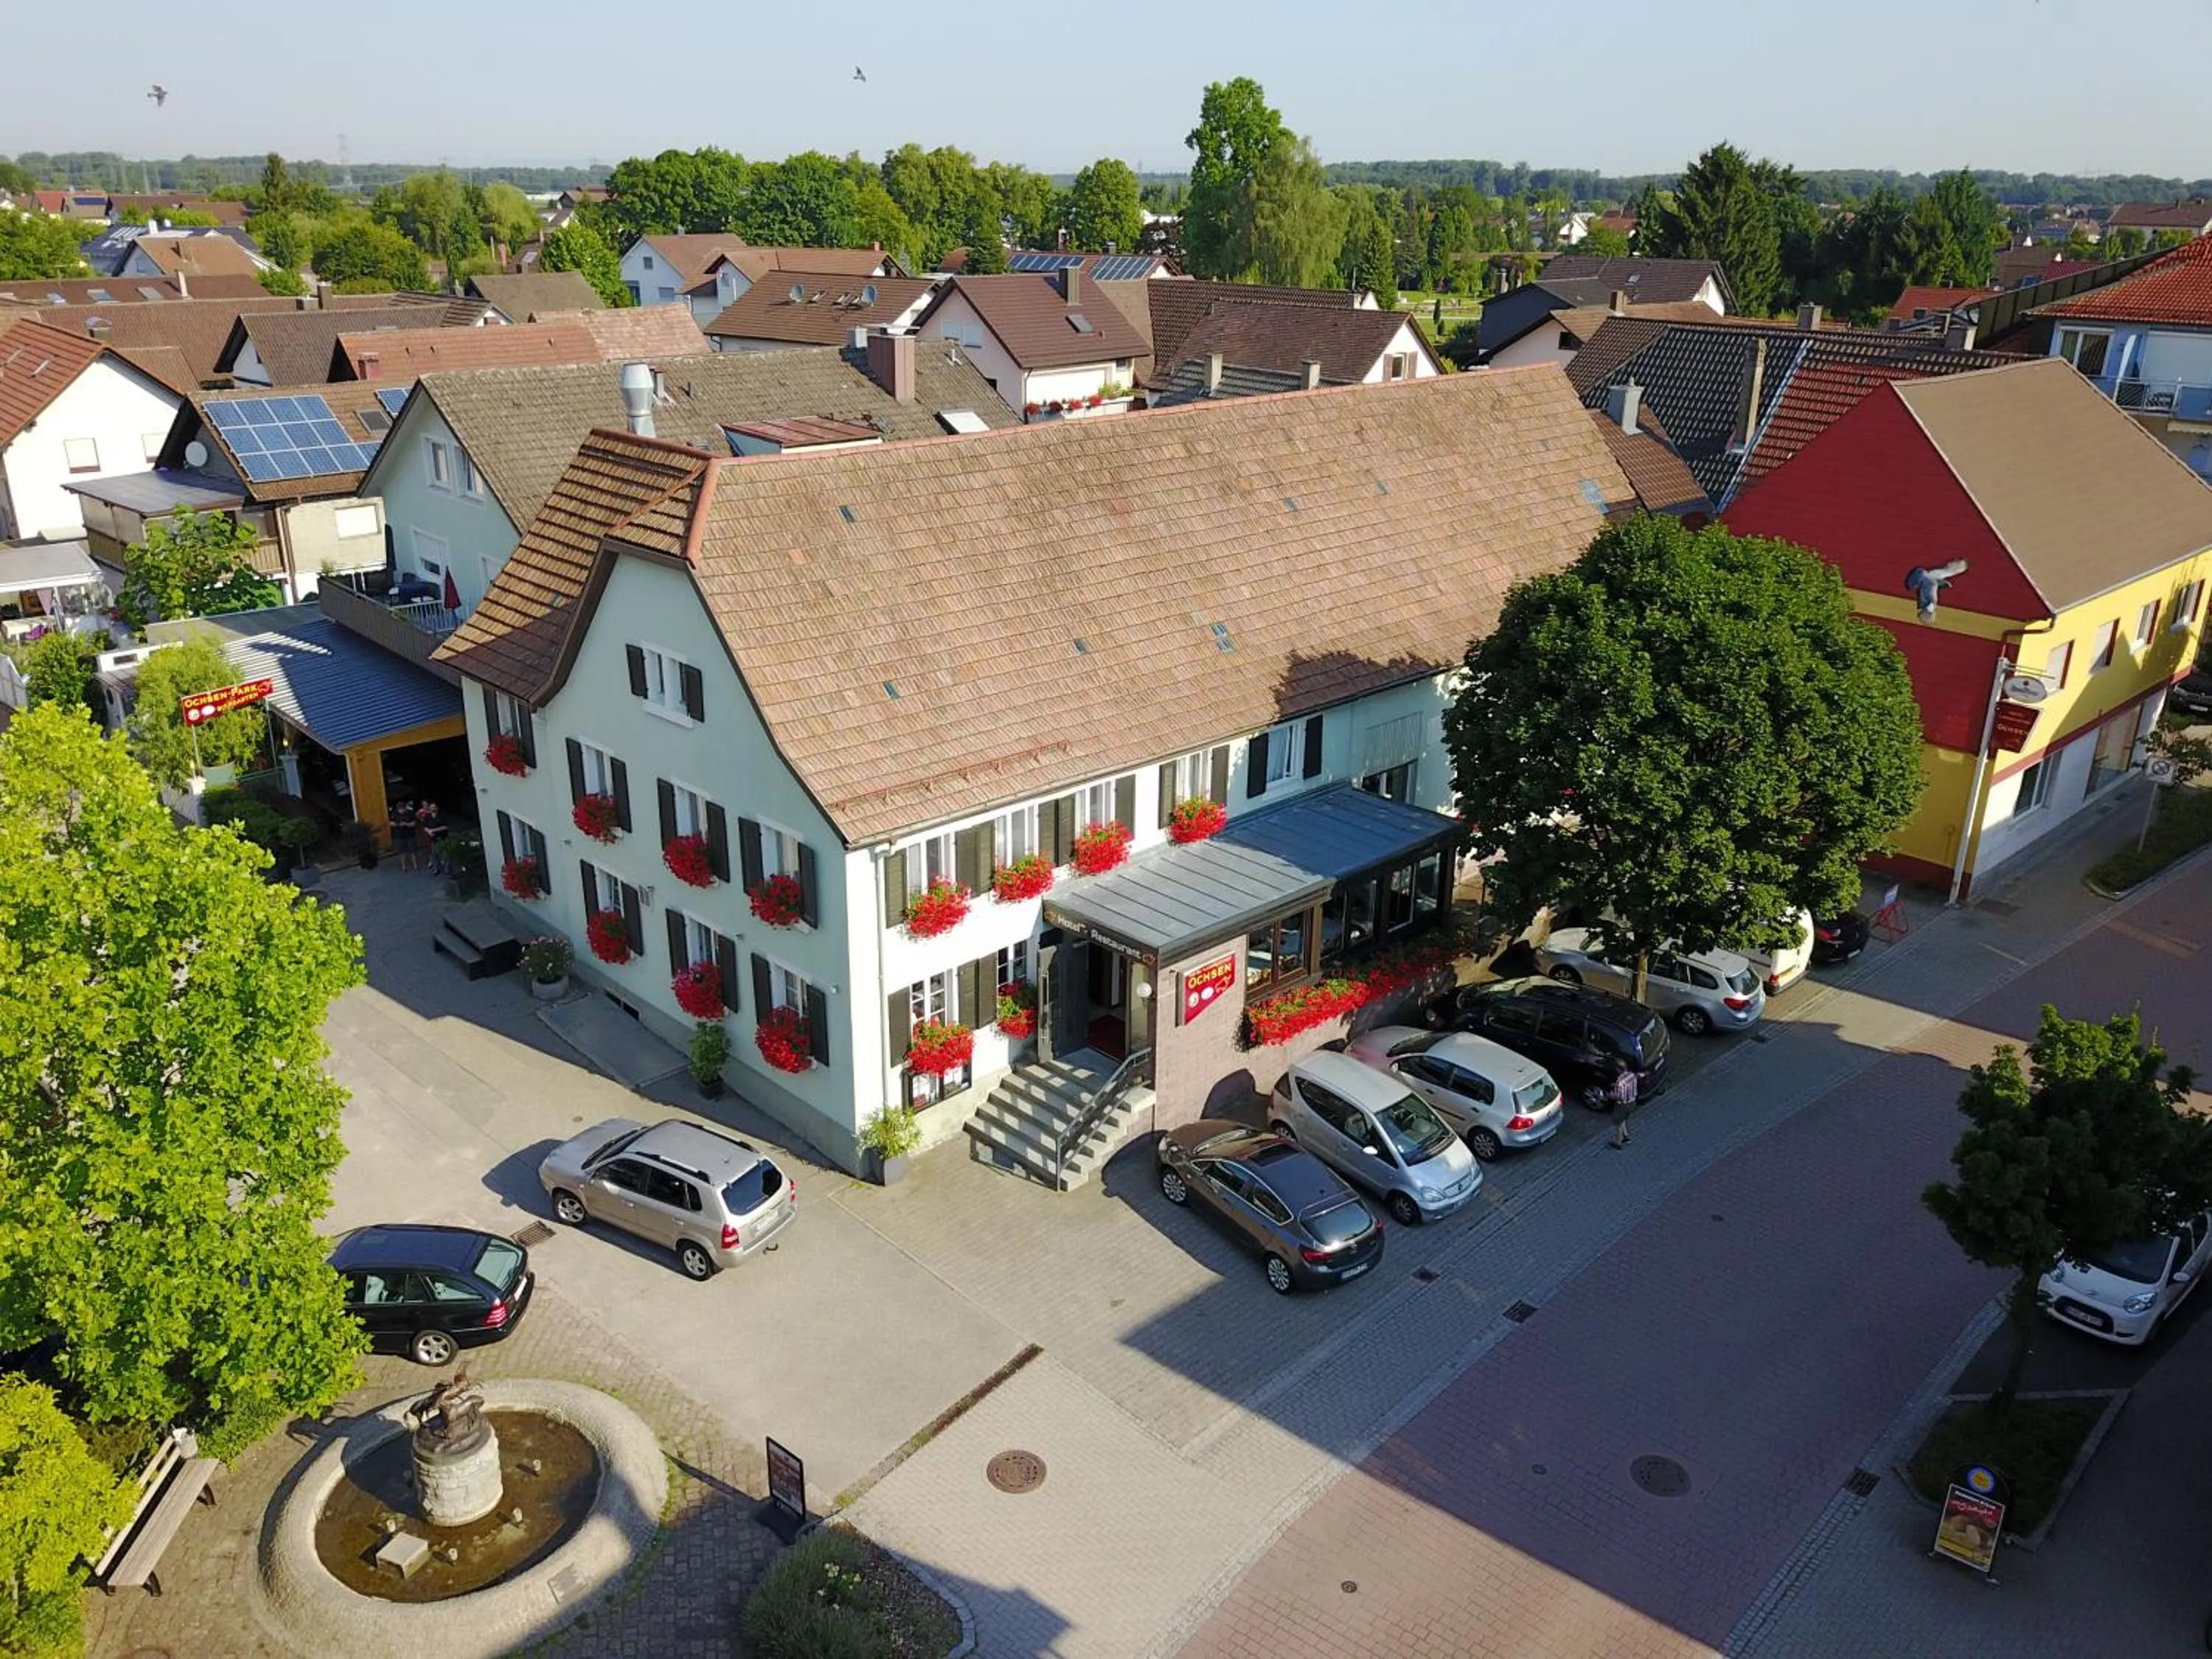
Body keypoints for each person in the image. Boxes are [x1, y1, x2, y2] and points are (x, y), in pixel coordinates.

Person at [1607, 1059, 1640, 1147]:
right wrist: (1616, 1085)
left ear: (1618, 1069)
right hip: (1632, 1102)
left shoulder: (1620, 1082)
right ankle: (1626, 1136)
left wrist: (1610, 1095)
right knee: (1623, 1119)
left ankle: (1618, 1142)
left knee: (1618, 1123)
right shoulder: (1632, 1075)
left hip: (1623, 1105)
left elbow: (1620, 1097)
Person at [417, 800, 446, 874]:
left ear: (437, 808)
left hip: (442, 837)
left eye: (434, 807)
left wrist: (433, 830)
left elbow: (445, 827)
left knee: (443, 854)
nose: (433, 809)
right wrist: (429, 831)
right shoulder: (428, 817)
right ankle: (437, 869)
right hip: (433, 839)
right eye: (431, 808)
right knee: (435, 854)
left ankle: (446, 869)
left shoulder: (442, 815)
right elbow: (425, 827)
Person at [389, 801, 419, 872]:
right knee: (402, 852)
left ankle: (415, 866)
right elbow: (391, 823)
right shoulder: (395, 814)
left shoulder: (410, 813)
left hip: (410, 835)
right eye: (400, 809)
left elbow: (414, 823)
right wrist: (398, 824)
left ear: (405, 808)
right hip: (400, 836)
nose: (401, 811)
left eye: (402, 809)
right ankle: (404, 867)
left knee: (413, 851)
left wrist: (406, 824)